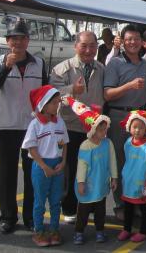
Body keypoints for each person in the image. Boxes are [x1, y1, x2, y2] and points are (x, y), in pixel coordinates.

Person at [0, 20, 48, 234]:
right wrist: (6, 67)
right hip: (6, 125)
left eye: (22, 38)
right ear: (8, 41)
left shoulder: (39, 63)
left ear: (28, 41)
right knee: (7, 173)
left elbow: (45, 93)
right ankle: (8, 217)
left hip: (32, 126)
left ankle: (31, 217)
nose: (18, 42)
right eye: (14, 38)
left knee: (33, 173)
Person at [49, 30, 105, 224]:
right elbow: (52, 95)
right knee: (71, 170)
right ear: (75, 46)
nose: (88, 50)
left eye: (92, 46)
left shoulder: (101, 68)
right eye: (84, 46)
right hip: (70, 127)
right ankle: (69, 207)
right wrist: (72, 89)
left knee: (93, 169)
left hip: (93, 129)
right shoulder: (62, 69)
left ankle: (89, 205)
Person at [103, 24, 146, 217]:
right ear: (122, 41)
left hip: (139, 117)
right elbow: (107, 94)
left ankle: (134, 201)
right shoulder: (115, 63)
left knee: (137, 162)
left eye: (136, 39)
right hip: (119, 116)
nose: (133, 42)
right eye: (129, 39)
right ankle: (120, 204)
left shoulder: (145, 64)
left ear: (142, 42)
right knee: (120, 161)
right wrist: (129, 86)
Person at [61, 97, 116, 245]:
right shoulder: (85, 146)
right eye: (101, 130)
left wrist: (114, 177)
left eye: (105, 129)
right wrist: (81, 183)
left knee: (100, 210)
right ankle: (79, 232)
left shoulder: (108, 143)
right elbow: (82, 166)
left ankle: (100, 230)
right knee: (83, 211)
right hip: (88, 184)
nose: (104, 132)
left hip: (101, 184)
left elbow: (112, 161)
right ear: (92, 130)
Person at [21, 85, 68, 247]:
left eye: (58, 102)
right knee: (40, 202)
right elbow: (31, 148)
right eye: (54, 103)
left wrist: (63, 162)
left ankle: (54, 230)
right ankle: (39, 231)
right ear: (43, 104)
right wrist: (44, 166)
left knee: (55, 201)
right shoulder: (35, 124)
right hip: (41, 166)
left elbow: (64, 144)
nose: (57, 105)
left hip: (57, 165)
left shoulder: (60, 122)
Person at [118, 110, 146, 244]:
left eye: (141, 128)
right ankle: (126, 229)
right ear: (129, 127)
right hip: (129, 181)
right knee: (128, 207)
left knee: (144, 208)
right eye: (134, 127)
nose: (137, 130)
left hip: (142, 184)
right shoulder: (128, 142)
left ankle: (143, 232)